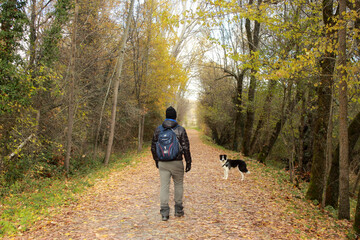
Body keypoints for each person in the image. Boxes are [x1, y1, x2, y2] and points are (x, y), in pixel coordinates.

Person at [151, 106, 192, 221]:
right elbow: (186, 147)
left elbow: (153, 147)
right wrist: (188, 161)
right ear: (175, 116)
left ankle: (164, 213)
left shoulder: (159, 129)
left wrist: (156, 160)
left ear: (166, 116)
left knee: (164, 186)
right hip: (177, 162)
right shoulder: (180, 129)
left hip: (163, 163)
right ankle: (178, 210)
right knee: (178, 184)